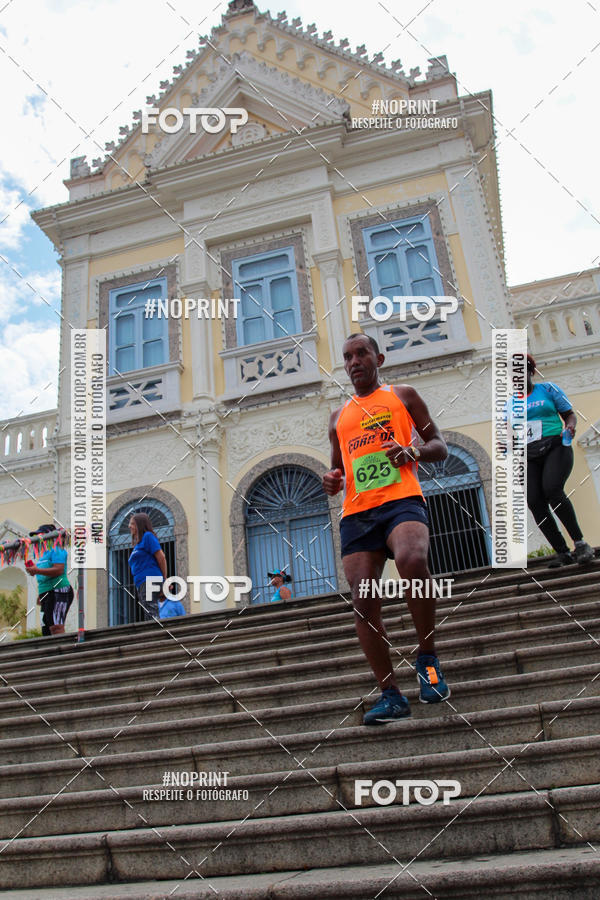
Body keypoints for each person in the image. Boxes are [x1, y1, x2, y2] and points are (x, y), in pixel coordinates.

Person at [322, 333, 450, 725]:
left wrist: (412, 451)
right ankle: (390, 694)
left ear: (378, 357)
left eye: (361, 353)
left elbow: (439, 445)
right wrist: (332, 479)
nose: (354, 361)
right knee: (363, 601)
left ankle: (427, 659)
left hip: (401, 500)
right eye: (347, 357)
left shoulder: (403, 395)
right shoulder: (338, 417)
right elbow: (338, 468)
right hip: (358, 514)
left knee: (413, 561)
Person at [524, 354, 594, 567]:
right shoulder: (509, 404)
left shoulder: (548, 389)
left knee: (552, 489)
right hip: (529, 453)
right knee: (534, 501)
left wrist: (570, 427)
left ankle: (580, 543)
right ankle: (562, 552)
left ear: (530, 372)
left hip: (556, 445)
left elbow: (569, 414)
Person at [25, 524, 73, 636]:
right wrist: (41, 595)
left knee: (56, 627)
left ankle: (61, 651)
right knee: (46, 628)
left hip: (58, 590)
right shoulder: (43, 554)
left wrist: (36, 571)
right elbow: (43, 576)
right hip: (46, 592)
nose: (38, 539)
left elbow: (59, 570)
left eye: (40, 535)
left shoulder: (57, 550)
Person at [128, 513, 167, 620]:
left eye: (132, 523)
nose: (129, 526)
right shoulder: (138, 544)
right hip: (142, 582)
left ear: (139, 525)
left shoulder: (148, 536)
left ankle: (156, 635)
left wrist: (164, 579)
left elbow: (161, 557)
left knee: (151, 612)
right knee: (149, 610)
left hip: (150, 579)